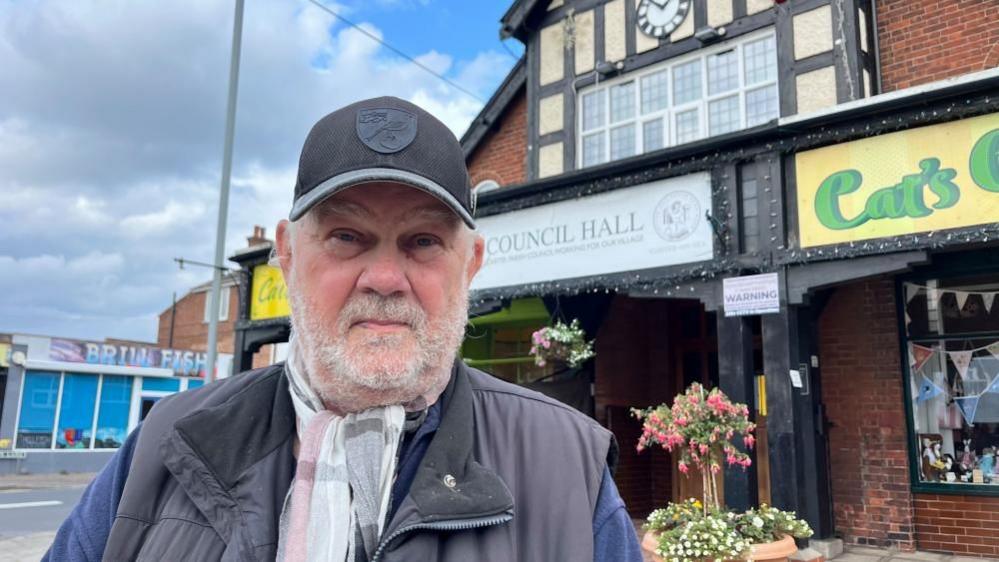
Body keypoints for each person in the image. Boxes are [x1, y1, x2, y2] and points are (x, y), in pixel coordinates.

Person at [44, 97, 643, 561]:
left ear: (472, 264)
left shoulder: (569, 466)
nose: (384, 277)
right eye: (347, 236)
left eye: (424, 241)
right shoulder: (165, 444)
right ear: (287, 252)